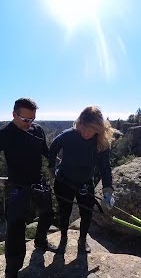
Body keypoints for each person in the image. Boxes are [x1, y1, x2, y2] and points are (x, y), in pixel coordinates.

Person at [0, 98, 57, 278]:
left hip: (37, 182)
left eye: (32, 119)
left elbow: (44, 150)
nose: (29, 123)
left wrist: (58, 161)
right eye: (25, 119)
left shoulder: (37, 129)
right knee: (15, 232)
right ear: (14, 114)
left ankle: (40, 240)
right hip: (16, 187)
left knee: (47, 213)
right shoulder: (4, 135)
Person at [48, 105, 116, 254]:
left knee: (87, 213)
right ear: (79, 124)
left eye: (90, 129)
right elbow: (53, 147)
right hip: (64, 181)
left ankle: (82, 240)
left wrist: (107, 190)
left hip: (85, 182)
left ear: (98, 128)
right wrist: (52, 167)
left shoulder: (101, 143)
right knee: (64, 212)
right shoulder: (68, 135)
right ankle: (64, 237)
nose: (85, 133)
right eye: (83, 128)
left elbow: (105, 167)